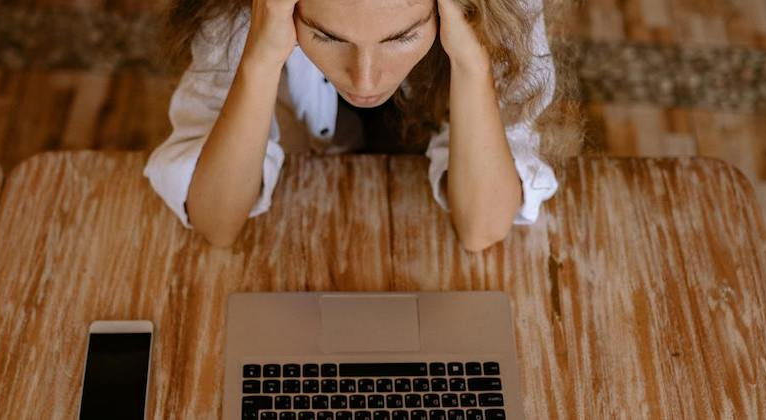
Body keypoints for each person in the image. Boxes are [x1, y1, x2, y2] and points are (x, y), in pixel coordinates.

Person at [145, 0, 560, 251]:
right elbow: (216, 224)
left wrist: (472, 66)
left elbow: (482, 229)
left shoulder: (504, 10)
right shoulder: (237, 12)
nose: (365, 80)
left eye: (402, 37)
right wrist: (259, 60)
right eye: (327, 36)